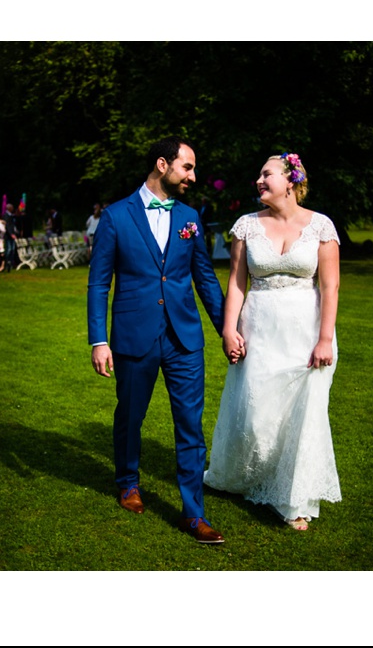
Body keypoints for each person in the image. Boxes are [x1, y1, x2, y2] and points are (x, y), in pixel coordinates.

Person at [88, 136, 227, 544]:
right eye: (188, 167)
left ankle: (193, 513)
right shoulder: (115, 216)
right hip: (134, 337)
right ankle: (128, 482)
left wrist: (227, 330)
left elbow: (204, 276)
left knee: (190, 425)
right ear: (163, 164)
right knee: (130, 416)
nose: (193, 177)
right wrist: (99, 340)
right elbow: (99, 284)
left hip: (185, 339)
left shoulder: (190, 216)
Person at [204, 152, 341, 531]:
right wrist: (229, 330)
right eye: (259, 175)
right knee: (258, 413)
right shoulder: (246, 226)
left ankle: (292, 499)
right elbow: (236, 282)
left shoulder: (321, 227)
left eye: (267, 174)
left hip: (306, 332)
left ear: (291, 181)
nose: (259, 181)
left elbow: (330, 287)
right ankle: (249, 475)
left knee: (304, 414)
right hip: (259, 328)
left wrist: (325, 338)